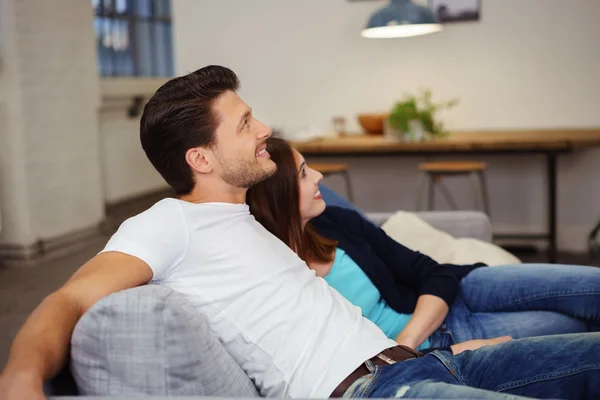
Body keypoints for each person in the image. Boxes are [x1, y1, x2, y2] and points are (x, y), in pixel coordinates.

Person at [0, 65, 599, 400]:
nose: (264, 127)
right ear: (201, 159)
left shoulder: (253, 219)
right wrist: (21, 377)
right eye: (244, 123)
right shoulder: (166, 224)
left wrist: (434, 350)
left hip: (426, 364)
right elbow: (69, 299)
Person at [246, 137, 600, 351]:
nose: (320, 176)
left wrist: (407, 343)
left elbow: (428, 270)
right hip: (449, 339)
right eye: (305, 173)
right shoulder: (278, 280)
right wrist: (448, 354)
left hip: (462, 289)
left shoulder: (336, 221)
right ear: (280, 198)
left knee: (590, 288)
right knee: (581, 335)